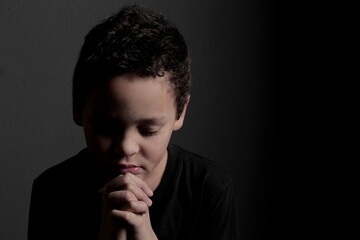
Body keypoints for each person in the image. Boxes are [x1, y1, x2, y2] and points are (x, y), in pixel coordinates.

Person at [28, 5, 239, 240]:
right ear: (78, 108)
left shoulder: (207, 188)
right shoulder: (53, 191)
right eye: (107, 127)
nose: (126, 147)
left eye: (149, 130)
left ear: (180, 114)